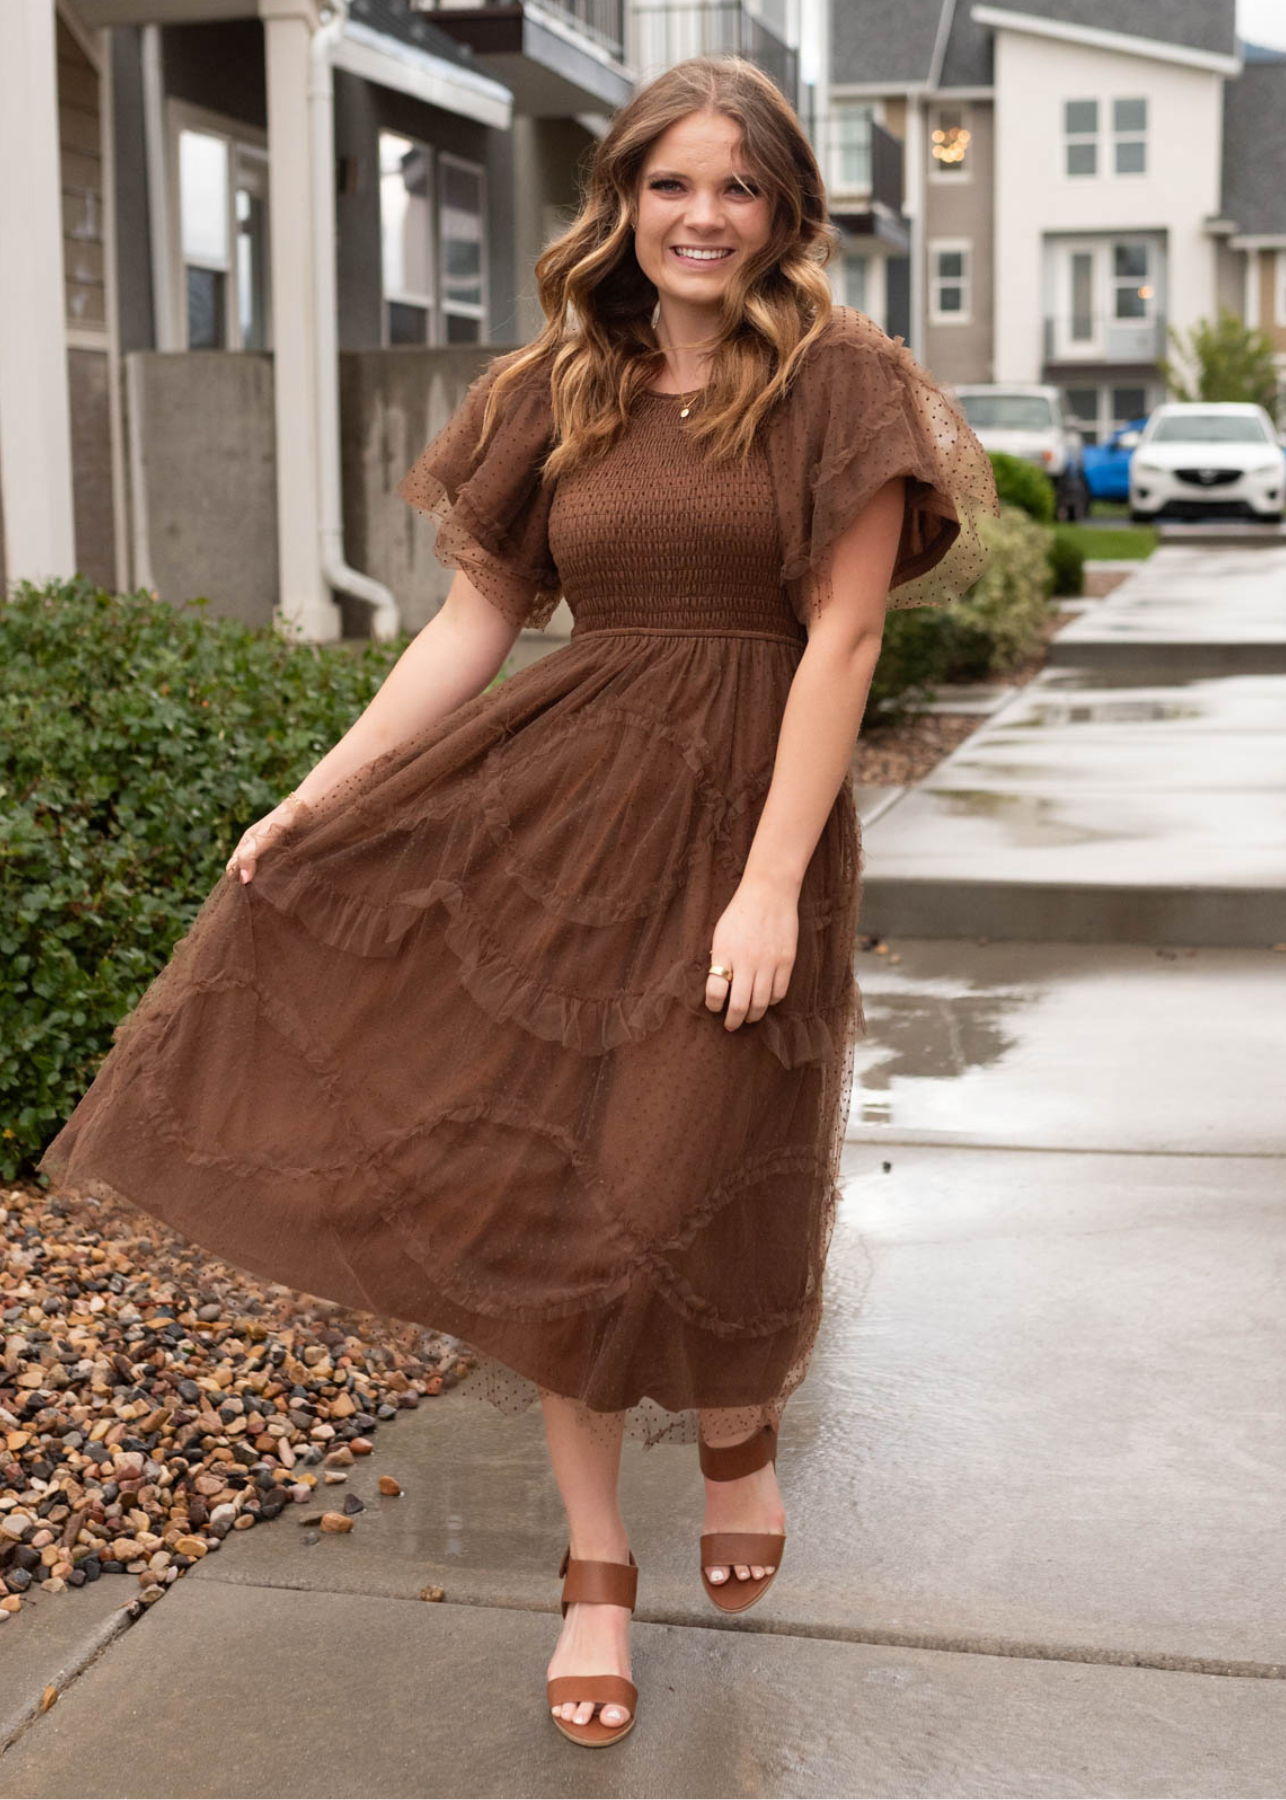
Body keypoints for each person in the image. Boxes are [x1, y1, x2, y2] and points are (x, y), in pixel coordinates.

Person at [39, 55, 998, 1749]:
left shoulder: (842, 382)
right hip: (560, 826)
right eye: (670, 184)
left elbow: (843, 637)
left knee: (693, 1170)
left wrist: (771, 880)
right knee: (552, 1196)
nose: (701, 218)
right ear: (621, 200)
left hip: (742, 825)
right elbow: (471, 627)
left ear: (782, 213)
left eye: (737, 188)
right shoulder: (551, 385)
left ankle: (731, 1428)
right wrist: (316, 796)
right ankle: (591, 1566)